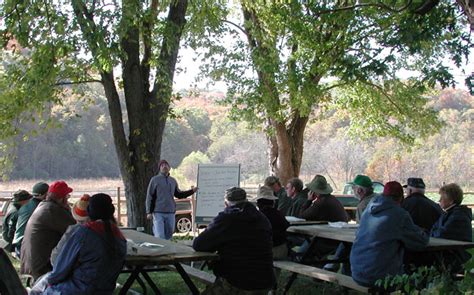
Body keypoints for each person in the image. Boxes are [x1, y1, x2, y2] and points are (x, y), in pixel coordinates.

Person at [36, 193, 126, 294]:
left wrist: (49, 283)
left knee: (37, 290)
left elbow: (60, 269)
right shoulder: (120, 238)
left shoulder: (84, 233)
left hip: (77, 290)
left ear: (89, 212)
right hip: (105, 291)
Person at [193, 187, 274, 294]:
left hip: (238, 280)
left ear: (226, 203)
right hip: (265, 280)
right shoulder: (262, 218)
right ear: (246, 200)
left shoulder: (226, 218)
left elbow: (199, 244)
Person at [350, 181, 429, 288]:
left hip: (356, 272)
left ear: (383, 195)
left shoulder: (368, 210)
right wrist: (422, 232)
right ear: (401, 198)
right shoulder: (400, 214)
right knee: (418, 281)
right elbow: (421, 242)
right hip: (379, 276)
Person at [20, 181, 76, 280]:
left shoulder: (44, 206)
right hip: (42, 268)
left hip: (30, 264)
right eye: (67, 197)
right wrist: (69, 211)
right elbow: (77, 230)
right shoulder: (53, 210)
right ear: (61, 198)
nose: (68, 200)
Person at [146, 159, 197, 239]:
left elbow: (179, 194)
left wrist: (192, 191)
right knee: (160, 235)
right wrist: (149, 211)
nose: (164, 167)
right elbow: (149, 196)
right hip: (158, 212)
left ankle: (167, 250)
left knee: (169, 234)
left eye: (166, 165)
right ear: (160, 168)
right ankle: (160, 251)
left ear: (169, 168)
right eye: (162, 165)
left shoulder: (173, 181)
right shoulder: (154, 180)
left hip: (170, 212)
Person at [430, 183, 472, 273]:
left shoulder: (458, 216)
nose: (439, 200)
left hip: (456, 258)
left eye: (442, 198)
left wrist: (434, 232)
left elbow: (441, 234)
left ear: (451, 200)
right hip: (450, 255)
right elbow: (434, 230)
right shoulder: (449, 213)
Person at [13, 182, 49, 255]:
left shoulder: (25, 205)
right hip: (27, 244)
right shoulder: (40, 207)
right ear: (46, 194)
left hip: (18, 243)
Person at [256, 185, 290, 259]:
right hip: (281, 249)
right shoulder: (278, 214)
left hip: (264, 251)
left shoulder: (257, 216)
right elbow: (286, 225)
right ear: (273, 202)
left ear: (258, 203)